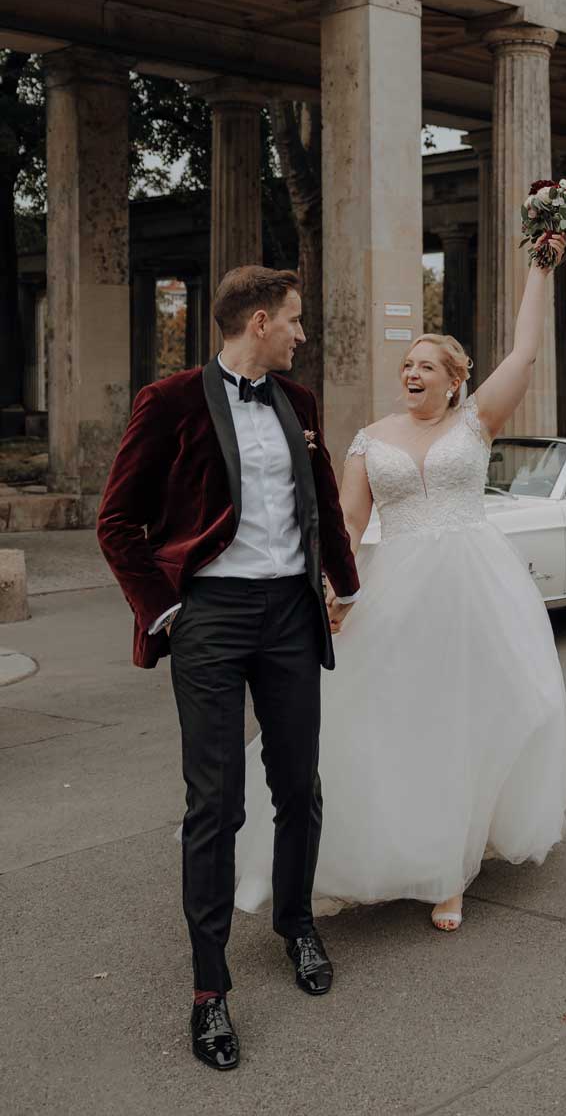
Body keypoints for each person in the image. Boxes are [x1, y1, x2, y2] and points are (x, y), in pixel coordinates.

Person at [234, 236, 566, 931]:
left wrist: (540, 271)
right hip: (399, 591)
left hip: (475, 590)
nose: (412, 373)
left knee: (463, 723)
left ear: (454, 380)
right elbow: (349, 524)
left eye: (426, 366)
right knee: (397, 725)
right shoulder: (369, 437)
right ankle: (387, 848)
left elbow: (525, 354)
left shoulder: (477, 422)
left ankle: (448, 871)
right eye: (406, 364)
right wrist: (334, 588)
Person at [96, 266, 360, 1072]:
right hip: (209, 614)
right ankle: (210, 990)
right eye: (293, 320)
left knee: (298, 785)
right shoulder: (170, 401)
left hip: (288, 613)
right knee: (215, 802)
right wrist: (167, 609)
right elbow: (118, 522)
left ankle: (296, 924)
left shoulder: (300, 405)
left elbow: (319, 502)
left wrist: (345, 584)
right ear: (255, 321)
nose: (301, 334)